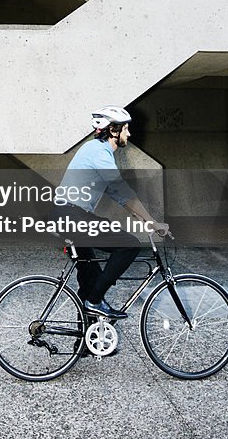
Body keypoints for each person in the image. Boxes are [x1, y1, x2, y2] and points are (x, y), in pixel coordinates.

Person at [56, 105, 170, 318]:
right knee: (128, 245)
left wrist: (142, 219)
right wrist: (152, 222)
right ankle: (95, 301)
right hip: (72, 216)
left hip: (68, 215)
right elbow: (121, 190)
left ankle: (85, 345)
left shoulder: (96, 151)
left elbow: (118, 194)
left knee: (91, 280)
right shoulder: (99, 152)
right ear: (113, 130)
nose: (129, 133)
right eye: (126, 129)